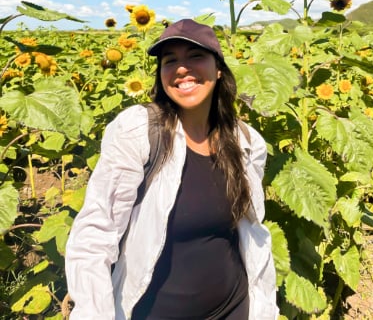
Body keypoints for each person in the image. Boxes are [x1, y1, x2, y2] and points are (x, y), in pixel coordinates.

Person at [65, 18, 278, 320]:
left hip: (235, 307)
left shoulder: (246, 141)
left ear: (219, 69)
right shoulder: (139, 131)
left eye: (195, 56)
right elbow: (95, 234)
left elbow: (253, 232)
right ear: (161, 75)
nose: (181, 68)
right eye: (170, 60)